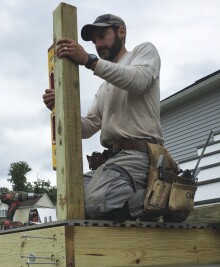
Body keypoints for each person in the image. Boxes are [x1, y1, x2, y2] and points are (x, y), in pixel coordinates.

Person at [42, 14, 164, 221]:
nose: (98, 44)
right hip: (114, 159)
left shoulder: (143, 52)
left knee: (95, 203)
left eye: (103, 35)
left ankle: (161, 198)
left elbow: (139, 81)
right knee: (73, 200)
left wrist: (89, 61)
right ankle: (143, 199)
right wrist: (60, 108)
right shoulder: (104, 85)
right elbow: (87, 127)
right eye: (94, 41)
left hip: (140, 156)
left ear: (121, 32)